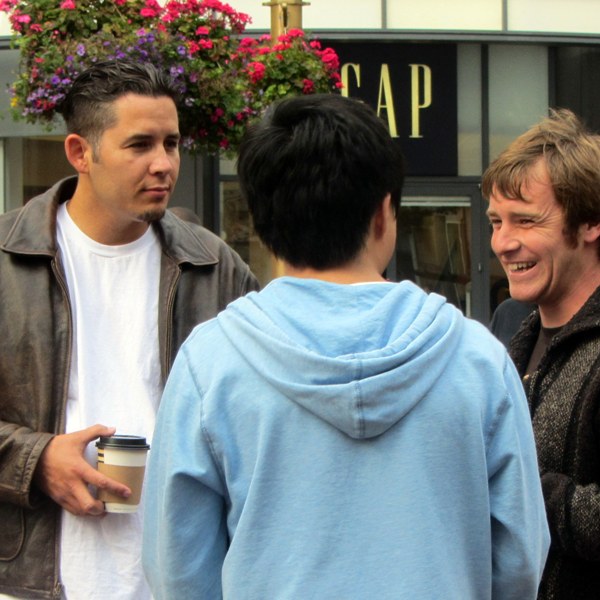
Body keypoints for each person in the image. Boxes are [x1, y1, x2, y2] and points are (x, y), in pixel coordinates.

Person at [142, 93, 549, 599]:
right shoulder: (478, 360)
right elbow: (520, 562)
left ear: (266, 226)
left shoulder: (211, 365)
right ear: (384, 214)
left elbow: (177, 569)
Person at [0, 60, 258, 599]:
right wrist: (35, 458)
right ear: (81, 153)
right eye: (140, 145)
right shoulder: (7, 259)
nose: (164, 164)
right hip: (31, 579)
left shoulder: (216, 266)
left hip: (182, 577)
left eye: (172, 143)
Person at [483, 107, 600, 600]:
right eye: (496, 222)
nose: (503, 244)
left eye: (526, 221)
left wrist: (511, 479)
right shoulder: (512, 329)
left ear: (591, 222)